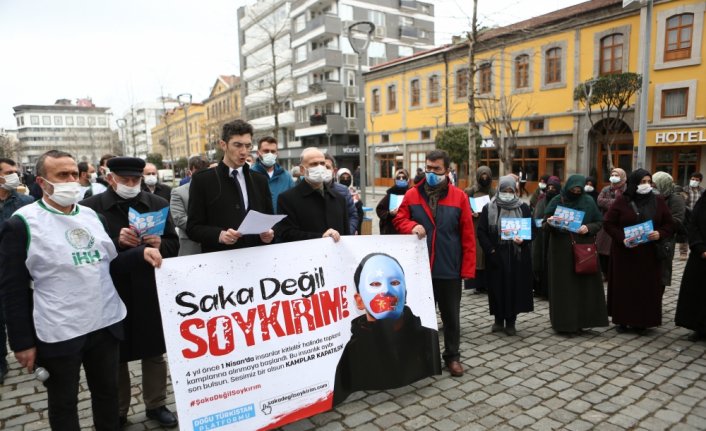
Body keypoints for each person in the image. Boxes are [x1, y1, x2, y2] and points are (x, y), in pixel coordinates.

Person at [0, 150, 161, 429]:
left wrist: (140, 254)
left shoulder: (91, 215)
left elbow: (107, 262)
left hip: (104, 323)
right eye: (62, 175)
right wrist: (22, 342)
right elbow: (12, 288)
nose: (71, 180)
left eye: (74, 174)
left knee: (107, 395)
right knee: (64, 402)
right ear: (42, 181)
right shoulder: (22, 222)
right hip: (60, 329)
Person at [81, 156, 179, 427]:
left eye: (136, 180)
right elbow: (87, 251)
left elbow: (173, 246)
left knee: (154, 350)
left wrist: (160, 243)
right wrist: (116, 241)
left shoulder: (157, 204)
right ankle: (119, 408)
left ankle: (156, 404)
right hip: (112, 287)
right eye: (125, 180)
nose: (132, 184)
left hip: (149, 286)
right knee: (115, 353)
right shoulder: (90, 209)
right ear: (110, 178)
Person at [393, 150, 475, 377]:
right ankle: (421, 357)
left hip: (449, 268)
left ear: (447, 171)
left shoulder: (460, 197)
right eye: (428, 168)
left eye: (436, 169)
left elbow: (468, 236)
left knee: (451, 317)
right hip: (420, 269)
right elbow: (399, 219)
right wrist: (410, 226)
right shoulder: (412, 194)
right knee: (419, 316)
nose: (431, 172)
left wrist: (467, 269)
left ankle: (452, 357)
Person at [332, 253, 441, 406]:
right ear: (360, 300)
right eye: (375, 284)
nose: (387, 291)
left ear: (405, 293)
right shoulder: (352, 354)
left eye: (395, 282)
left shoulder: (428, 338)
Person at [187, 120, 274, 253]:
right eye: (237, 145)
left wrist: (269, 234)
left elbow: (269, 219)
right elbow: (193, 228)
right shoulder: (202, 180)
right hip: (219, 261)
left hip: (257, 258)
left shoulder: (259, 180)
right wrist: (219, 235)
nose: (244, 151)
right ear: (223, 145)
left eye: (248, 146)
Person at [603, 169, 674, 334]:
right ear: (635, 183)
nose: (646, 185)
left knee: (646, 288)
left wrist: (660, 233)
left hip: (649, 254)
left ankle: (643, 321)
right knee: (624, 287)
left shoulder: (658, 201)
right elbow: (608, 223)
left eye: (649, 182)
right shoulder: (622, 201)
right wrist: (622, 238)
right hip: (625, 253)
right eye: (642, 182)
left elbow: (669, 224)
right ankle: (623, 320)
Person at [544, 174, 608, 334]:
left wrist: (588, 228)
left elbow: (599, 222)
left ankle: (584, 321)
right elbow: (544, 223)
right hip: (561, 251)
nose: (576, 192)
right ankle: (564, 324)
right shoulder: (557, 200)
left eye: (579, 190)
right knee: (564, 288)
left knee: (584, 287)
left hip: (583, 249)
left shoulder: (588, 201)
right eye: (573, 189)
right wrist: (551, 222)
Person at [476, 176, 534, 336]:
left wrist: (523, 241)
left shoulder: (523, 208)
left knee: (514, 288)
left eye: (511, 191)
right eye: (504, 191)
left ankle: (511, 321)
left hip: (516, 255)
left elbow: (531, 231)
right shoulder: (490, 208)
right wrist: (490, 250)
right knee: (496, 288)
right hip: (496, 255)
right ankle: (498, 320)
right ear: (499, 190)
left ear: (515, 191)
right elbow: (481, 231)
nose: (508, 193)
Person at [0, 157, 35, 384]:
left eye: (15, 171)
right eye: (9, 171)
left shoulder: (26, 201)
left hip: (20, 266)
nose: (14, 175)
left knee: (23, 308)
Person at [275, 147, 349, 243]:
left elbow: (347, 234)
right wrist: (320, 237)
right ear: (302, 169)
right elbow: (286, 233)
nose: (320, 167)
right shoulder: (287, 199)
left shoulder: (339, 199)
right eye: (314, 164)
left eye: (322, 163)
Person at [675, 194, 706, 341]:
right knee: (698, 293)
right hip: (701, 256)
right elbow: (693, 224)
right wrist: (700, 247)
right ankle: (699, 329)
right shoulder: (704, 200)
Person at [464, 165, 496, 293]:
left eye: (486, 175)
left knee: (487, 253)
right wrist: (471, 213)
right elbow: (464, 207)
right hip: (475, 226)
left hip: (488, 226)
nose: (484, 178)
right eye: (482, 175)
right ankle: (477, 284)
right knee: (477, 255)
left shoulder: (494, 192)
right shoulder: (470, 191)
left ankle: (488, 283)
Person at [171, 156, 210, 256]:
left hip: (213, 244)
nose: (202, 177)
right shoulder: (178, 192)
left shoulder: (216, 190)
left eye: (205, 172)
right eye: (199, 173)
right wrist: (204, 228)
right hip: (190, 245)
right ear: (189, 173)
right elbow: (179, 219)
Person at [652, 171, 686, 288]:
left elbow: (677, 221)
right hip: (650, 240)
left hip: (664, 243)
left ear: (663, 184)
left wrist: (657, 220)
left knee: (659, 278)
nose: (651, 187)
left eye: (654, 185)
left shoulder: (676, 199)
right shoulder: (651, 198)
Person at [596, 168, 627, 280]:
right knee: (602, 249)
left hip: (620, 223)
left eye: (616, 175)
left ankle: (615, 272)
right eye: (612, 174)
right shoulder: (606, 189)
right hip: (606, 221)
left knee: (616, 249)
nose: (614, 176)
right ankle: (605, 272)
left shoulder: (626, 189)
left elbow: (626, 203)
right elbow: (600, 201)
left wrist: (612, 204)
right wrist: (616, 203)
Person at [532, 176, 560, 298]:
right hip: (541, 235)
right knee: (540, 261)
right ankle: (539, 289)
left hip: (555, 235)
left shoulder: (561, 201)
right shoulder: (541, 199)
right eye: (549, 187)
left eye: (553, 188)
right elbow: (536, 215)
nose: (550, 190)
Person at [250, 136, 295, 212]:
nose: (270, 154)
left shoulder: (286, 177)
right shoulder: (249, 174)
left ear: (277, 153)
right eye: (266, 151)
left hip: (281, 222)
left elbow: (293, 201)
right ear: (258, 153)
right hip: (258, 222)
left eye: (273, 151)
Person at [324, 154, 359, 235]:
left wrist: (347, 233)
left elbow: (353, 215)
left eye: (327, 167)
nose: (324, 170)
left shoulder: (343, 190)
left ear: (334, 170)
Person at [376, 168, 410, 235]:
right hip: (391, 230)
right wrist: (389, 214)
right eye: (398, 177)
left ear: (407, 179)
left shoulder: (411, 194)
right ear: (395, 180)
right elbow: (379, 209)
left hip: (407, 229)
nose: (401, 179)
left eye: (403, 177)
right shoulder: (390, 194)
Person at [680, 172, 704, 259]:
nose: (694, 181)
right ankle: (683, 252)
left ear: (700, 181)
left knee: (697, 232)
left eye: (696, 180)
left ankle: (697, 249)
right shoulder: (684, 189)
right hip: (687, 214)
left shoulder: (702, 191)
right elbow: (682, 203)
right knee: (685, 233)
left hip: (698, 215)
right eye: (692, 179)